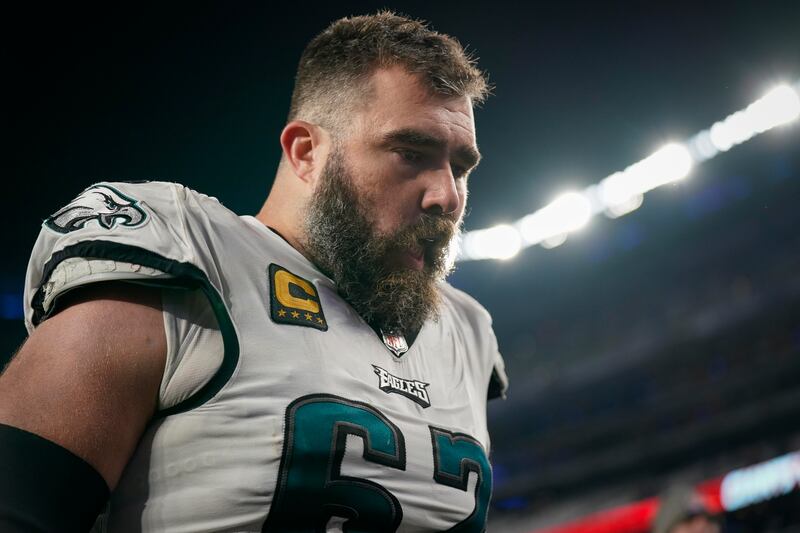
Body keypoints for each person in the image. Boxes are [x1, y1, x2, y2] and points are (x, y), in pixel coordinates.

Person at [0, 10, 507, 533]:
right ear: (306, 152)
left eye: (460, 167)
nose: (447, 195)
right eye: (410, 153)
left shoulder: (465, 332)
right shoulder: (191, 264)